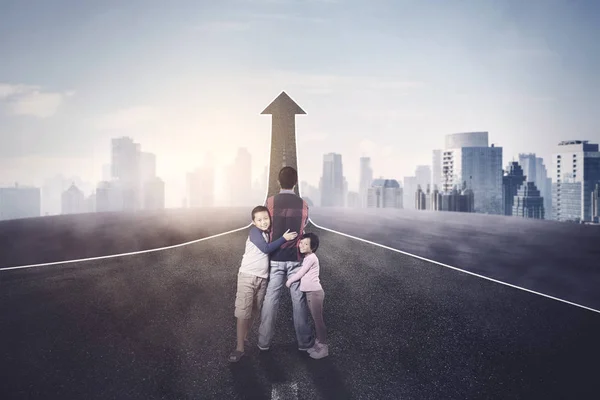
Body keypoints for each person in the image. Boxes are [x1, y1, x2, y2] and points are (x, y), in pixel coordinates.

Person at [228, 205, 297, 363]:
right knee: (243, 311)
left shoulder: (267, 234)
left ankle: (244, 338)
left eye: (266, 218)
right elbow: (266, 249)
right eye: (259, 220)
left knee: (254, 310)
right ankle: (239, 348)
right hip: (247, 276)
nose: (263, 222)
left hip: (262, 278)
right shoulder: (254, 232)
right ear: (253, 222)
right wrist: (284, 239)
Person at [257, 166, 313, 351]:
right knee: (299, 300)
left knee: (271, 299)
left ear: (278, 182)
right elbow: (303, 226)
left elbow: (265, 227)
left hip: (275, 258)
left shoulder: (270, 201)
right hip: (296, 259)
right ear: (296, 182)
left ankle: (264, 342)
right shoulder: (304, 204)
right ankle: (304, 343)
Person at [286, 233, 328, 359]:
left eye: (306, 244)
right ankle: (319, 343)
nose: (301, 246)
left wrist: (290, 281)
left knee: (318, 320)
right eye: (301, 243)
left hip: (315, 293)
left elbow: (301, 272)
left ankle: (324, 347)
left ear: (312, 247)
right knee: (316, 319)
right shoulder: (308, 257)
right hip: (311, 293)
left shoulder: (311, 258)